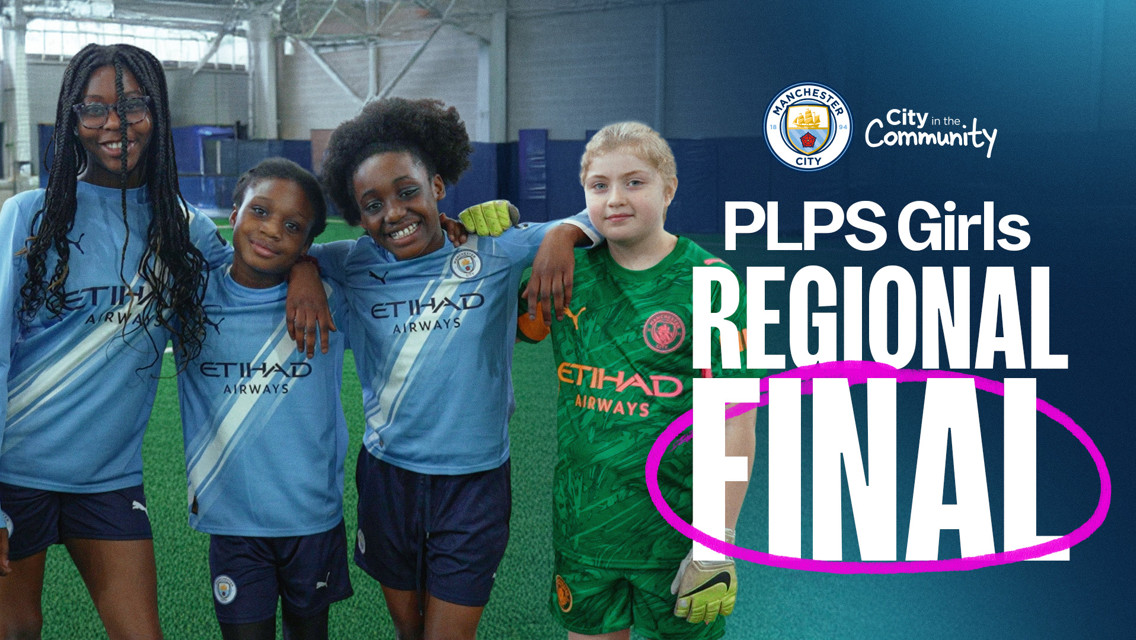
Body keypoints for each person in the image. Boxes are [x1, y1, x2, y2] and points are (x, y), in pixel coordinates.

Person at [0, 44, 329, 639]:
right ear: (72, 120)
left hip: (109, 478)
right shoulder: (29, 215)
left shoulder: (181, 228)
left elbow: (246, 278)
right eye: (93, 107)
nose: (115, 123)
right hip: (15, 471)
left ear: (156, 110)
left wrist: (305, 267)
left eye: (131, 104)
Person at [310, 97, 597, 640]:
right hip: (387, 476)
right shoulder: (351, 261)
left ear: (438, 186)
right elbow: (289, 250)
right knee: (409, 628)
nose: (392, 213)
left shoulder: (495, 248)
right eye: (371, 204)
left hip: (475, 481)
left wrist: (561, 234)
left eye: (407, 192)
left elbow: (598, 215)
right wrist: (304, 272)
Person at [522, 121, 757, 640]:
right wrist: (554, 234)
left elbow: (736, 424)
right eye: (599, 186)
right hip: (584, 528)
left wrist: (716, 544)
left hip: (676, 533)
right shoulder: (567, 273)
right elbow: (489, 304)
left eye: (635, 182)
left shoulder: (713, 284)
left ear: (668, 189)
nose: (615, 199)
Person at [174, 158, 352, 640]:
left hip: (311, 518)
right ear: (232, 215)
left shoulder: (330, 303)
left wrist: (309, 271)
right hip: (233, 522)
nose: (271, 230)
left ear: (307, 243)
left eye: (292, 226)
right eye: (260, 211)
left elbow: (390, 259)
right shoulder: (188, 299)